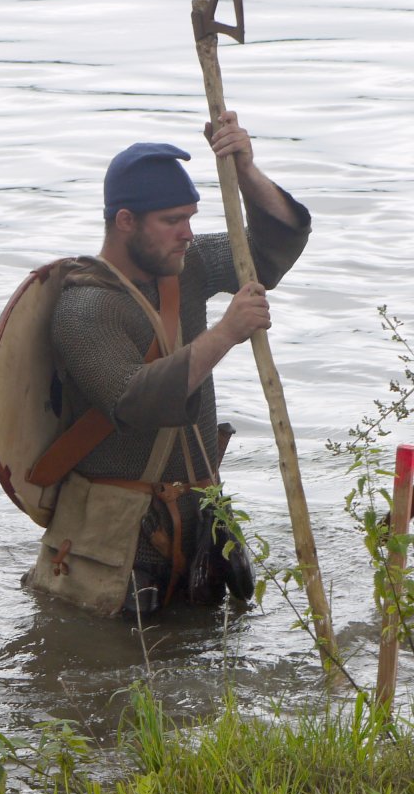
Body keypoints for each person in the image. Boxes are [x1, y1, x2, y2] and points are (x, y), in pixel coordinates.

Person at [28, 113, 311, 618]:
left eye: (191, 217)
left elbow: (271, 248)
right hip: (119, 539)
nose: (187, 233)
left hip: (199, 524)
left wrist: (246, 169)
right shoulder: (85, 307)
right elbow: (135, 401)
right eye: (172, 220)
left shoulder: (189, 266)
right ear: (125, 221)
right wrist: (226, 333)